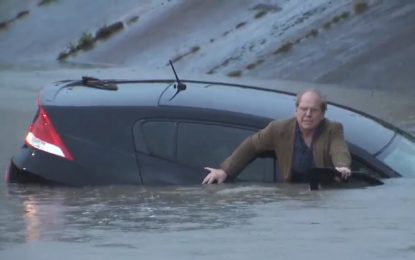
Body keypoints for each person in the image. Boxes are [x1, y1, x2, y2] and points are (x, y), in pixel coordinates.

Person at [202, 88, 351, 184]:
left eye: (314, 110)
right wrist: (225, 170)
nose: (308, 114)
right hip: (291, 201)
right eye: (304, 109)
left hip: (322, 200)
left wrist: (342, 167)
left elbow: (339, 149)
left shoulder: (332, 129)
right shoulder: (280, 129)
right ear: (296, 110)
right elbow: (252, 145)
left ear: (323, 113)